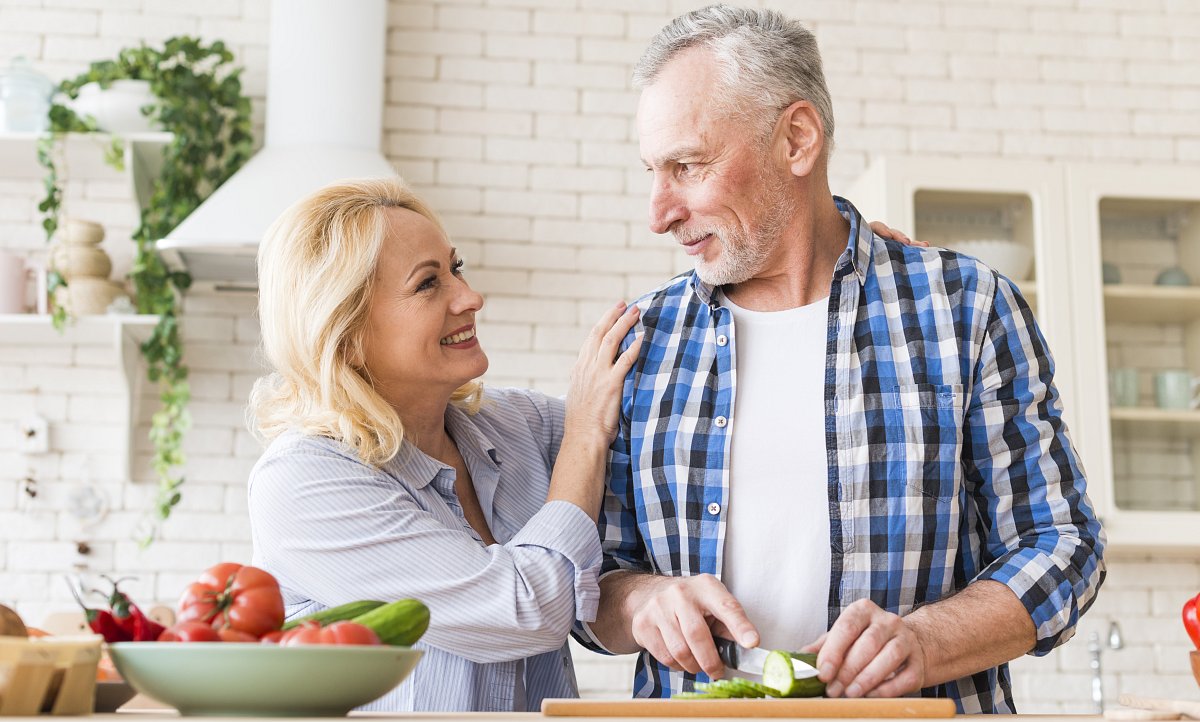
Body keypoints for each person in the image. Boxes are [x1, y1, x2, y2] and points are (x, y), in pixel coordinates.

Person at [575, 5, 1106, 714]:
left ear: (796, 139)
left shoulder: (965, 309)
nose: (658, 211)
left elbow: (1064, 545)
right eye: (652, 170)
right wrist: (643, 601)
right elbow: (589, 583)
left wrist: (927, 642)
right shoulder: (642, 342)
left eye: (688, 165)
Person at [245, 177, 641, 712]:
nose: (470, 297)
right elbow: (526, 611)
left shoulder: (512, 426)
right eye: (428, 284)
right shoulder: (304, 482)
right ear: (348, 333)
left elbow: (649, 438)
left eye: (455, 267)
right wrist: (586, 436)